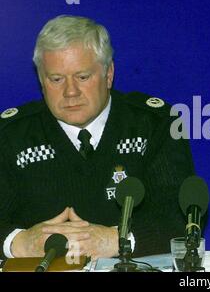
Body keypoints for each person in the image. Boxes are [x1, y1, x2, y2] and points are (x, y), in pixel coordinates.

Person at [0, 15, 195, 261]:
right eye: (56, 79)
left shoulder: (154, 125)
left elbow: (183, 219)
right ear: (41, 80)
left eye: (82, 77)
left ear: (109, 73)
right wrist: (18, 243)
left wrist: (116, 240)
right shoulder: (10, 135)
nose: (70, 92)